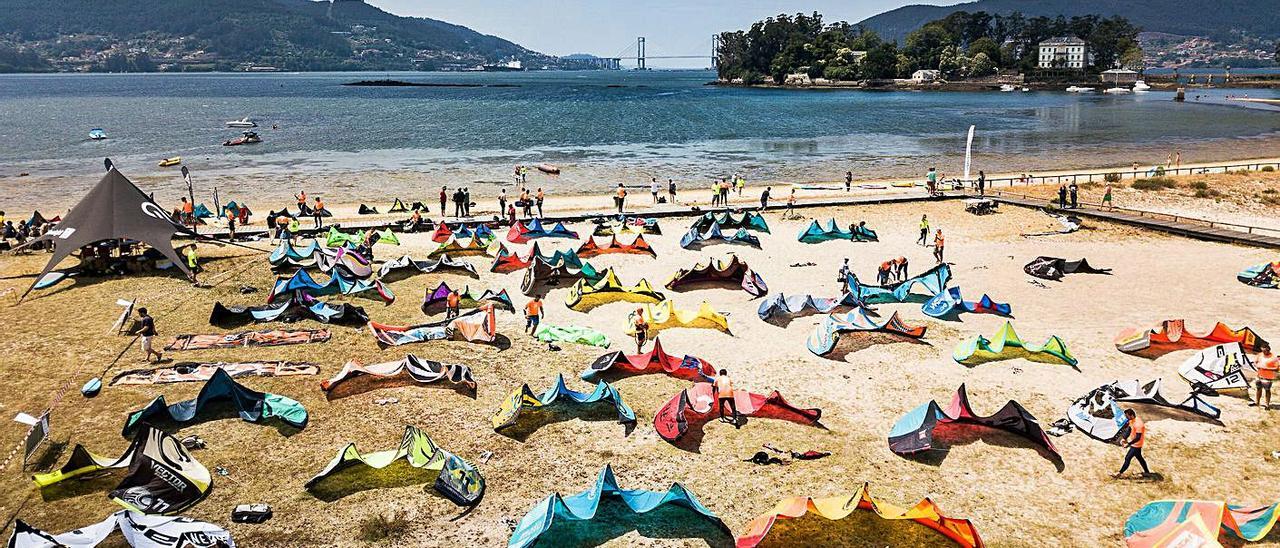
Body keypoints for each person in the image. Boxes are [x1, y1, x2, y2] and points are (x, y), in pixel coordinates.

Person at [1113, 409, 1151, 478]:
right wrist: (1124, 438)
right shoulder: (1132, 421)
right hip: (1134, 444)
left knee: (1128, 458)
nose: (1126, 417)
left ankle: (1119, 473)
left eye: (1127, 416)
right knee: (1140, 458)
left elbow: (1138, 438)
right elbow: (1129, 430)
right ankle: (1147, 472)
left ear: (1132, 415)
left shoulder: (1139, 424)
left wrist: (1128, 444)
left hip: (1137, 444)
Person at [1253, 343, 1277, 409]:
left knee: (1267, 390)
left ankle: (1267, 405)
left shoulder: (1274, 358)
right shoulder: (1260, 355)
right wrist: (1256, 365)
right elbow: (1255, 361)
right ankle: (1257, 402)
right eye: (1262, 351)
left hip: (1267, 377)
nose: (1263, 352)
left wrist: (1265, 368)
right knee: (1258, 389)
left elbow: (1277, 368)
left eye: (1264, 351)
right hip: (1259, 376)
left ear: (1268, 350)